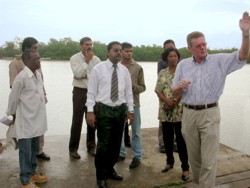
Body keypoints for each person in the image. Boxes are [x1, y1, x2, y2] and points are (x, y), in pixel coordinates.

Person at [172, 12, 250, 188]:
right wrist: (179, 87)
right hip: (189, 114)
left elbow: (243, 56)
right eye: (198, 45)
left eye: (204, 44)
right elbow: (173, 89)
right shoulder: (183, 64)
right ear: (190, 48)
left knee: (209, 160)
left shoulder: (219, 61)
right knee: (195, 159)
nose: (202, 48)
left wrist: (245, 34)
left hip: (210, 113)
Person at [86, 41, 134, 188]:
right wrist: (90, 111)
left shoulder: (124, 71)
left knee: (115, 144)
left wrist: (131, 111)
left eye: (120, 50)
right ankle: (100, 175)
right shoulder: (98, 69)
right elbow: (91, 92)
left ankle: (110, 169)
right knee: (104, 144)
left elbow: (129, 93)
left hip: (120, 110)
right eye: (115, 50)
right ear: (108, 52)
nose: (119, 53)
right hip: (104, 110)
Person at [6, 49, 48, 188]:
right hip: (25, 121)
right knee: (25, 151)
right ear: (26, 61)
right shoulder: (21, 78)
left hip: (37, 120)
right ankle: (25, 179)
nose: (39, 61)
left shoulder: (38, 74)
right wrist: (13, 116)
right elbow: (13, 100)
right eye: (35, 59)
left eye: (39, 58)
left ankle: (32, 173)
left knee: (35, 149)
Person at [9, 37, 50, 161]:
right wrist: (13, 112)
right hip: (25, 103)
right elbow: (14, 85)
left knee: (39, 127)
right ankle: (26, 167)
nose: (37, 51)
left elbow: (40, 80)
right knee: (25, 133)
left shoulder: (36, 60)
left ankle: (39, 150)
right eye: (34, 48)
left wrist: (44, 95)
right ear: (26, 49)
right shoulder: (16, 63)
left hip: (38, 99)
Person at [155, 48, 189, 181]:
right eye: (170, 56)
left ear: (178, 57)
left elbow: (185, 90)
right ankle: (169, 162)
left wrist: (173, 101)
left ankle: (185, 168)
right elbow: (158, 90)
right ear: (166, 59)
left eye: (175, 56)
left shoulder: (183, 73)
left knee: (181, 140)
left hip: (179, 111)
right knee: (167, 139)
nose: (173, 58)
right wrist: (166, 100)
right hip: (165, 110)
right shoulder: (162, 73)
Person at [69, 37, 101, 159]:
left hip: (93, 92)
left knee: (92, 120)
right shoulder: (74, 58)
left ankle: (91, 147)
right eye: (86, 44)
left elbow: (98, 77)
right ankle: (73, 149)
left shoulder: (97, 59)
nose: (89, 46)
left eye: (91, 44)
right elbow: (77, 74)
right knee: (77, 121)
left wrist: (85, 75)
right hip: (79, 92)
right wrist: (87, 61)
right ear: (81, 46)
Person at [117, 42, 146, 169]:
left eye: (131, 51)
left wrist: (132, 85)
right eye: (126, 51)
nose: (129, 53)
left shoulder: (138, 67)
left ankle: (137, 156)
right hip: (118, 104)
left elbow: (143, 87)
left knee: (136, 132)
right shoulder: (115, 66)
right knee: (119, 131)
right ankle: (121, 153)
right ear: (121, 52)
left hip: (134, 104)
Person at [157, 39, 177, 153]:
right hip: (164, 95)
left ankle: (174, 142)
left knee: (177, 121)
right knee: (163, 120)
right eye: (167, 48)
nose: (170, 49)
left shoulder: (180, 62)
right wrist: (166, 99)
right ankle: (162, 143)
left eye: (172, 47)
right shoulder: (161, 63)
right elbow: (160, 81)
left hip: (177, 97)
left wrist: (174, 99)